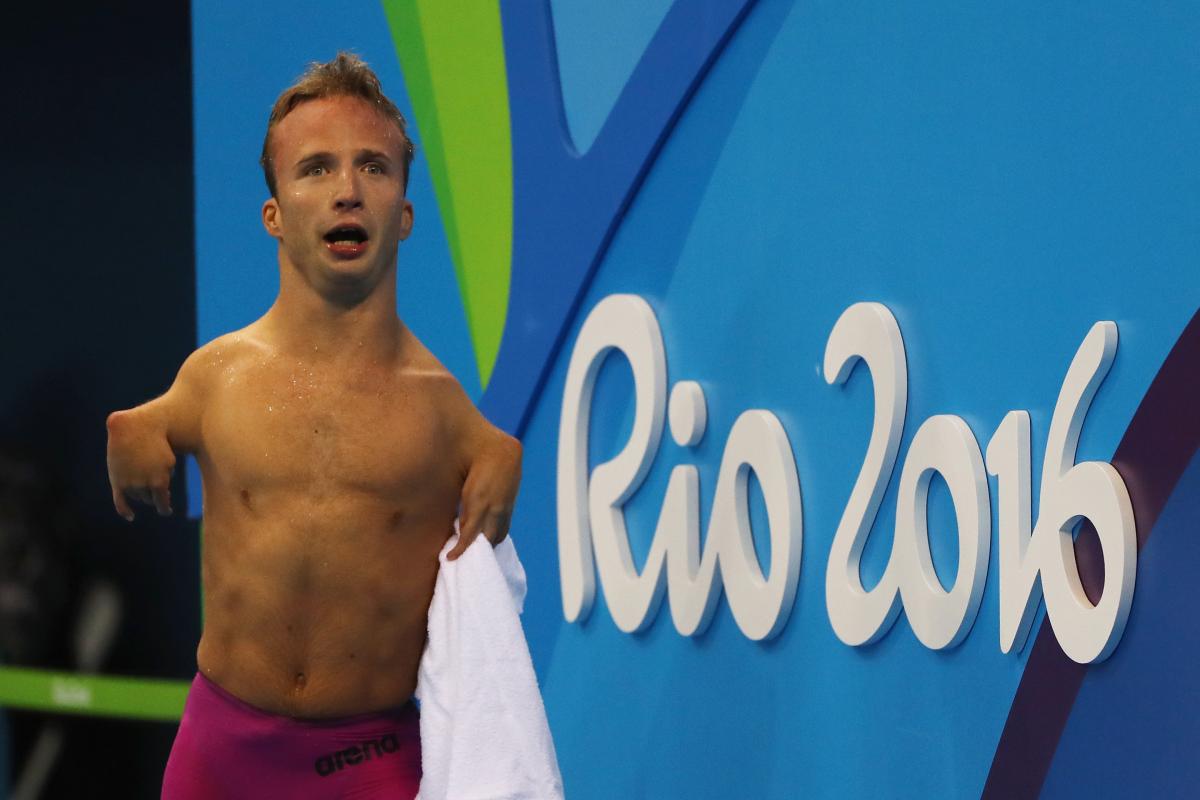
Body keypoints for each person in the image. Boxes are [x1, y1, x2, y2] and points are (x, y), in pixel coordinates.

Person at [105, 52, 522, 799]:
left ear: (405, 213)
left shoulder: (444, 412)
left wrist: (505, 458)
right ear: (274, 214)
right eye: (315, 170)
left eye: (373, 168)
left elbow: (495, 448)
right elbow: (143, 423)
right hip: (219, 758)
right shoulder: (214, 377)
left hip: (367, 766)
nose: (347, 192)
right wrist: (132, 430)